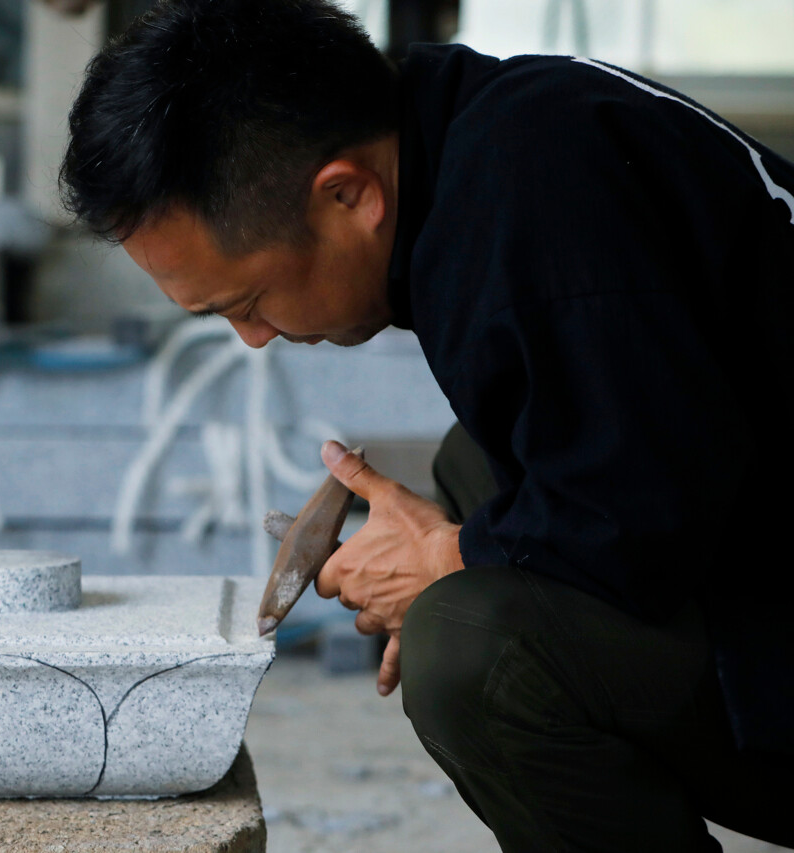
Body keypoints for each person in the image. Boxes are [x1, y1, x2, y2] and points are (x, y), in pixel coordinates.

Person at [59, 0, 794, 849]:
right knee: (471, 465)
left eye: (248, 301)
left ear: (347, 195)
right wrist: (459, 543)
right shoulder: (480, 133)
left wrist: (448, 560)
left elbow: (641, 511)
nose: (253, 338)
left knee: (470, 653)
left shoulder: (538, 210)